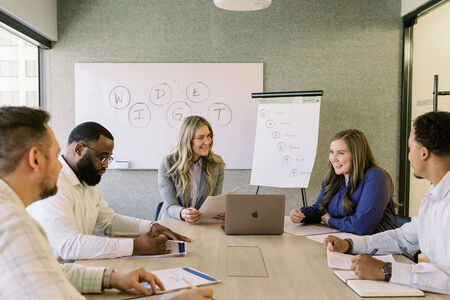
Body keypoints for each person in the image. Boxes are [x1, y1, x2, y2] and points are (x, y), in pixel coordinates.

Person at [0, 106, 212, 299]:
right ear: (35, 159)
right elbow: (65, 252)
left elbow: (53, 270)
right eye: (55, 156)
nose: (59, 166)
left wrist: (110, 277)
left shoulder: (84, 184)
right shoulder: (13, 226)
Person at [325, 111, 450, 295]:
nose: (408, 157)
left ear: (424, 153)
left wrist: (386, 270)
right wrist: (350, 245)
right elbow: (402, 239)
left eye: (410, 149)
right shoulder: (433, 195)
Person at [27, 121, 190, 261]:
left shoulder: (87, 181)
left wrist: (152, 226)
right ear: (79, 149)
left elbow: (109, 222)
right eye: (102, 157)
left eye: (109, 158)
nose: (106, 165)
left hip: (79, 269)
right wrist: (134, 246)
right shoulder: (53, 184)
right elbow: (68, 245)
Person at [290, 129, 397, 235]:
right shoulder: (333, 179)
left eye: (341, 153)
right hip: (349, 243)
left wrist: (330, 221)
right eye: (332, 152)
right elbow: (320, 210)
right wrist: (301, 215)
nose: (333, 158)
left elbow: (360, 227)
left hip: (378, 249)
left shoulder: (376, 177)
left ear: (356, 155)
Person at [158, 116, 225, 223]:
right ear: (187, 140)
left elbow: (214, 202)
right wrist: (182, 212)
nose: (207, 141)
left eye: (209, 136)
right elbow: (170, 205)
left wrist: (219, 212)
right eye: (200, 137)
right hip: (172, 223)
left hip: (201, 224)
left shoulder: (217, 164)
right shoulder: (168, 164)